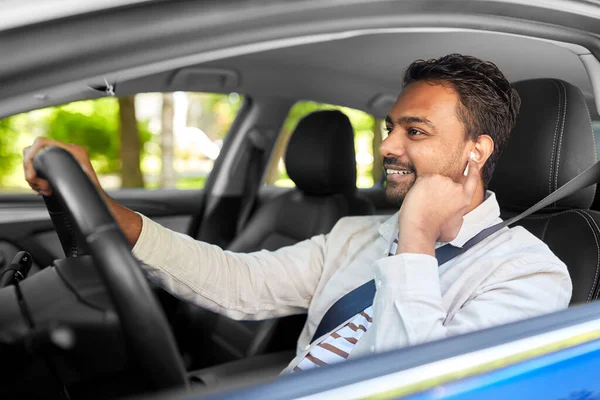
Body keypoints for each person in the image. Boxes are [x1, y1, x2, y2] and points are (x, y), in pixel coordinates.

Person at [23, 54, 572, 373]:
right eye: (390, 127)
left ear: (475, 152)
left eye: (416, 131)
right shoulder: (358, 233)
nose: (386, 147)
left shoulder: (530, 274)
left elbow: (418, 382)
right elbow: (242, 284)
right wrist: (108, 211)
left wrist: (419, 236)